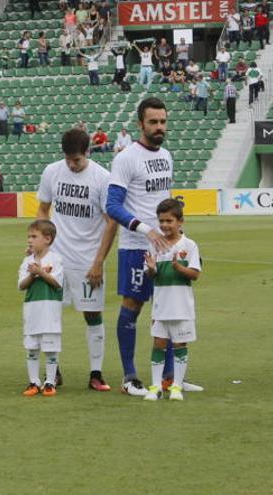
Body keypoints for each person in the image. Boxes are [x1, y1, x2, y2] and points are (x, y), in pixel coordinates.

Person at [106, 97, 201, 396]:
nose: (159, 127)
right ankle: (129, 377)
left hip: (167, 247)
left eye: (163, 122)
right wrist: (147, 230)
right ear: (140, 124)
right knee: (132, 307)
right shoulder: (126, 158)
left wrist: (176, 233)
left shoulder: (167, 156)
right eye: (153, 122)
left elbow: (166, 199)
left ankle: (172, 378)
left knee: (170, 310)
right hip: (137, 246)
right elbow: (112, 206)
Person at [36, 129, 117, 391]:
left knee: (92, 314)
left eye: (77, 160)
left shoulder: (102, 178)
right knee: (50, 315)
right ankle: (53, 372)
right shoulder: (52, 172)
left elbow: (110, 222)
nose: (72, 164)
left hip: (86, 260)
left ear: (88, 152)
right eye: (69, 159)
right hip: (55, 259)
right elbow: (43, 208)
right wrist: (40, 244)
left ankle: (96, 373)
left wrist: (98, 262)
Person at [142, 199, 201, 402]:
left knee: (179, 344)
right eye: (161, 221)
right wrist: (151, 268)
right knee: (158, 343)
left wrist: (179, 268)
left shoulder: (189, 245)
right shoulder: (155, 245)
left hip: (182, 306)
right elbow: (152, 275)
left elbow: (194, 274)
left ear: (180, 221)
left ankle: (176, 386)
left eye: (169, 221)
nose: (165, 225)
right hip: (160, 305)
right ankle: (156, 386)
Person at [18, 220, 64, 397]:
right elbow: (21, 285)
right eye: (29, 236)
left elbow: (57, 283)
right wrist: (32, 274)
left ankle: (50, 382)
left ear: (47, 239)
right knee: (32, 347)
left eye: (33, 236)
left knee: (51, 348)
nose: (29, 240)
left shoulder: (56, 259)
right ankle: (33, 382)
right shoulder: (27, 261)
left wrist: (42, 273)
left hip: (50, 310)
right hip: (32, 310)